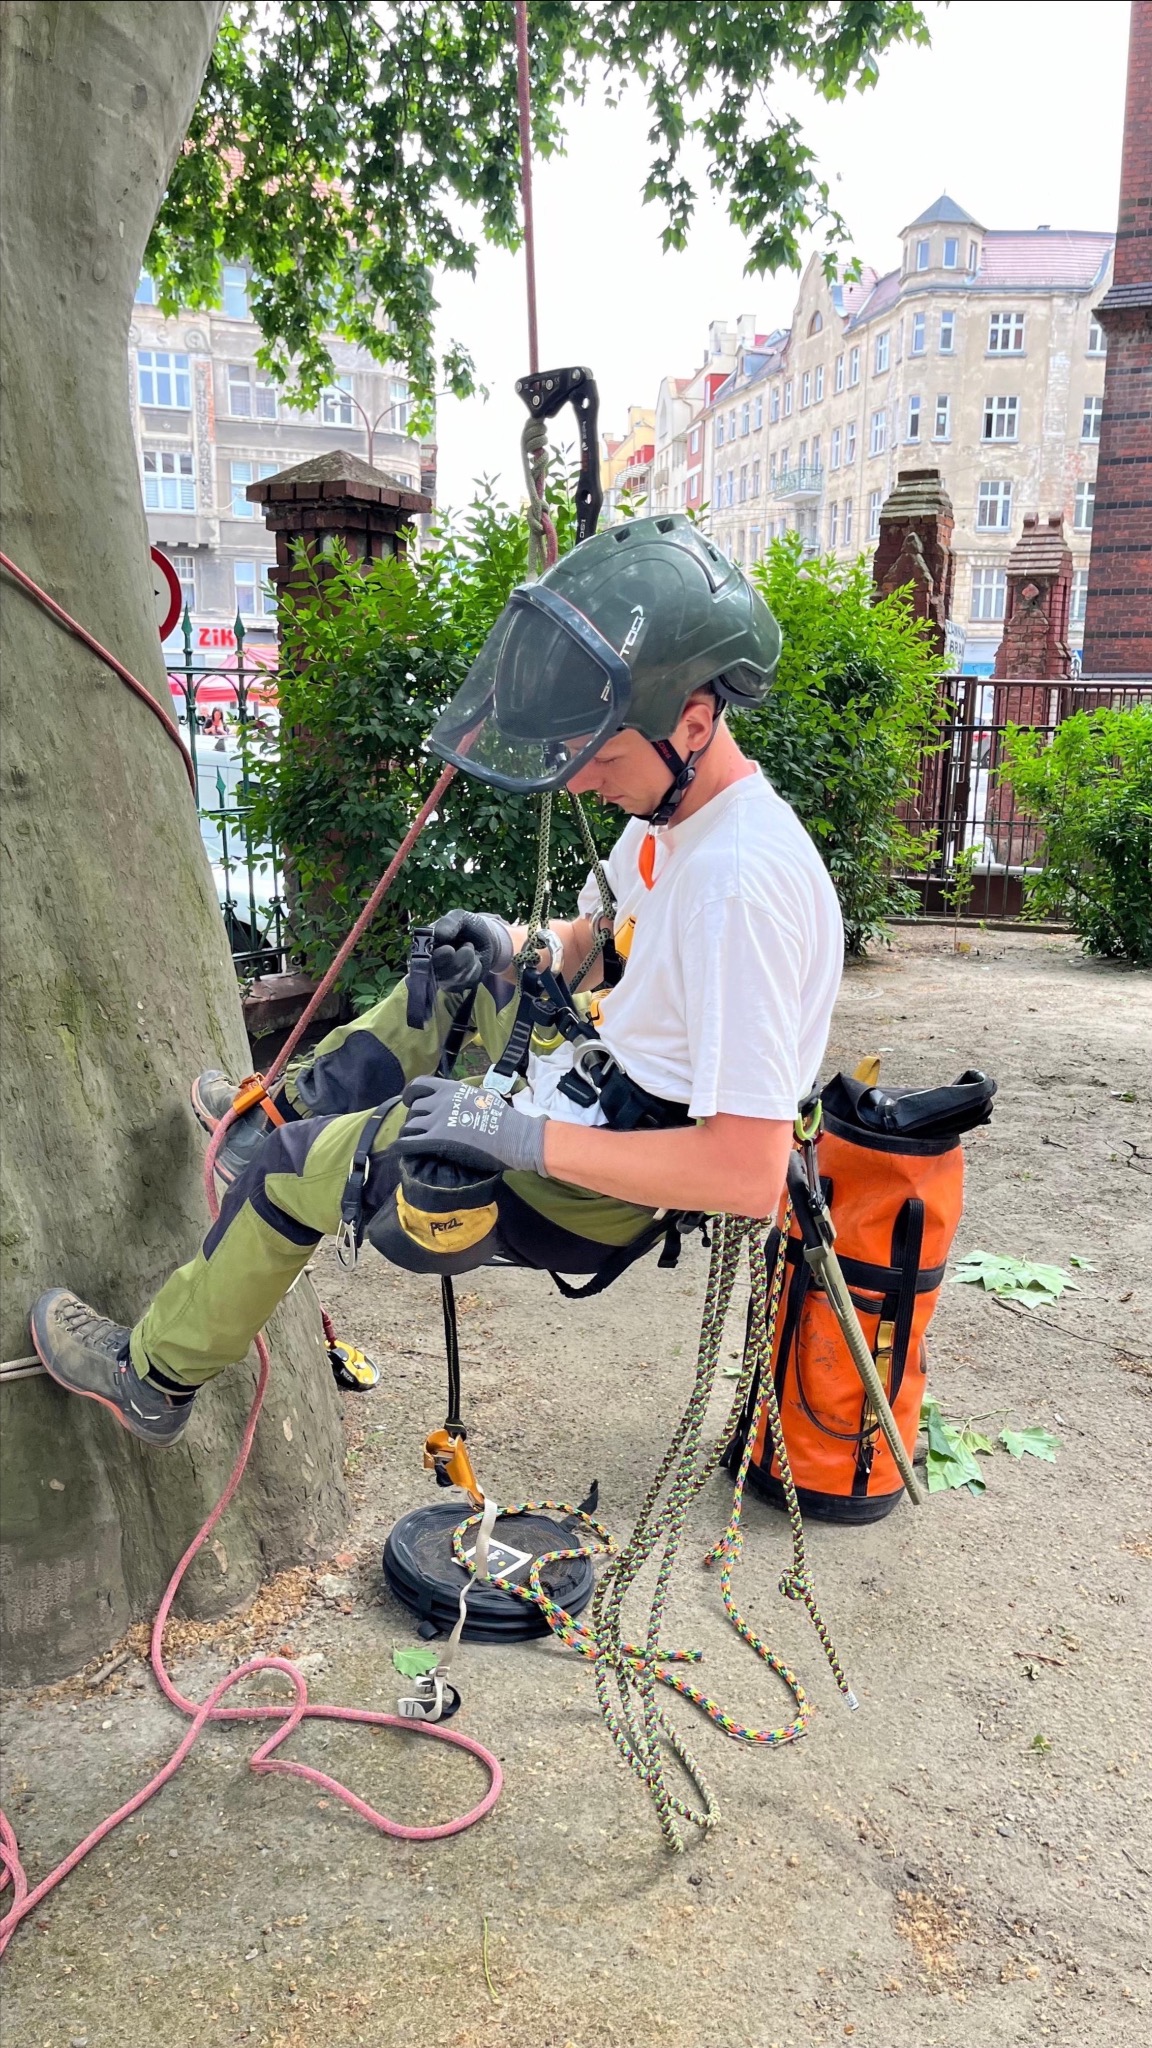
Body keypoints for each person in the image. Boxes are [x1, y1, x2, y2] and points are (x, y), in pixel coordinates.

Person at [31, 515, 843, 1446]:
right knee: (455, 983)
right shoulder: (674, 816)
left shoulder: (739, 888)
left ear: (693, 722)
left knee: (295, 1176)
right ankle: (267, 1123)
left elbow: (744, 1172)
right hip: (593, 1080)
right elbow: (597, 935)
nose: (583, 783)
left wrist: (516, 1136)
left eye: (604, 758)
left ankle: (152, 1378)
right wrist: (508, 941)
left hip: (603, 1180)